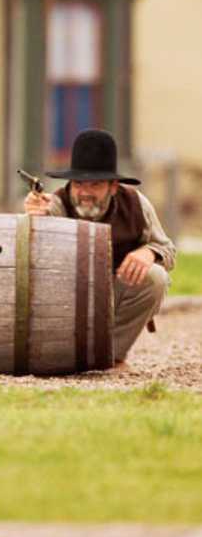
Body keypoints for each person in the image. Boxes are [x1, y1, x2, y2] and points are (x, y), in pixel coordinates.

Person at [24, 129, 176, 367]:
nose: (84, 192)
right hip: (64, 300)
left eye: (95, 184)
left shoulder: (137, 203)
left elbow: (168, 251)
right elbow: (30, 257)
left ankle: (110, 355)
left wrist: (149, 252)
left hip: (113, 295)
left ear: (113, 186)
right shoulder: (54, 205)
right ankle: (60, 352)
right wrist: (34, 218)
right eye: (78, 183)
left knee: (156, 277)